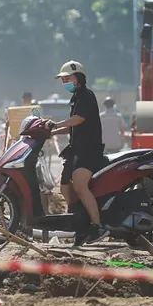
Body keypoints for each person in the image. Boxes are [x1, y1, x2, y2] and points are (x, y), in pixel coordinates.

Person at [47, 60, 108, 245]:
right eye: (63, 79)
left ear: (79, 78)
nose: (65, 81)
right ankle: (80, 221)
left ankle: (98, 227)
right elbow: (73, 126)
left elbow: (79, 119)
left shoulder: (86, 96)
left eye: (67, 78)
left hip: (89, 150)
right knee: (65, 185)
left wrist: (57, 124)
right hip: (75, 150)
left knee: (80, 185)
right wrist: (52, 132)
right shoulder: (75, 98)